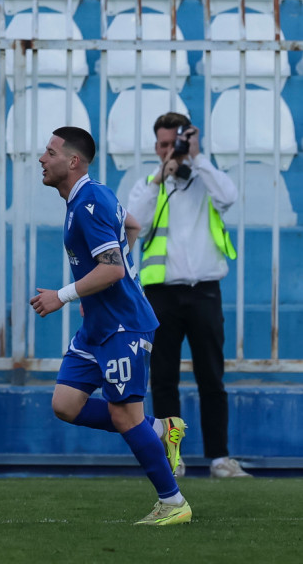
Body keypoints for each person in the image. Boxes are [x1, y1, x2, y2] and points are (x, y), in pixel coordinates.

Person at [31, 127, 192, 525]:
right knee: (65, 404)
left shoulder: (90, 201)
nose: (42, 159)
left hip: (123, 327)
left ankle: (173, 502)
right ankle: (160, 429)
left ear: (73, 161)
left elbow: (114, 269)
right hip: (98, 325)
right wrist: (96, 292)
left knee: (124, 416)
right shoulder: (88, 196)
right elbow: (132, 227)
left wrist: (64, 295)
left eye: (50, 152)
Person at [127, 112, 249, 479]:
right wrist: (159, 177)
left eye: (176, 144)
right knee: (164, 379)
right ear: (156, 147)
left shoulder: (205, 180)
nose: (170, 151)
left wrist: (197, 157)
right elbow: (134, 221)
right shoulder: (147, 184)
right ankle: (172, 457)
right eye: (164, 145)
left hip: (204, 292)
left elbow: (229, 197)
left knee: (211, 377)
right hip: (161, 294)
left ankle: (219, 458)